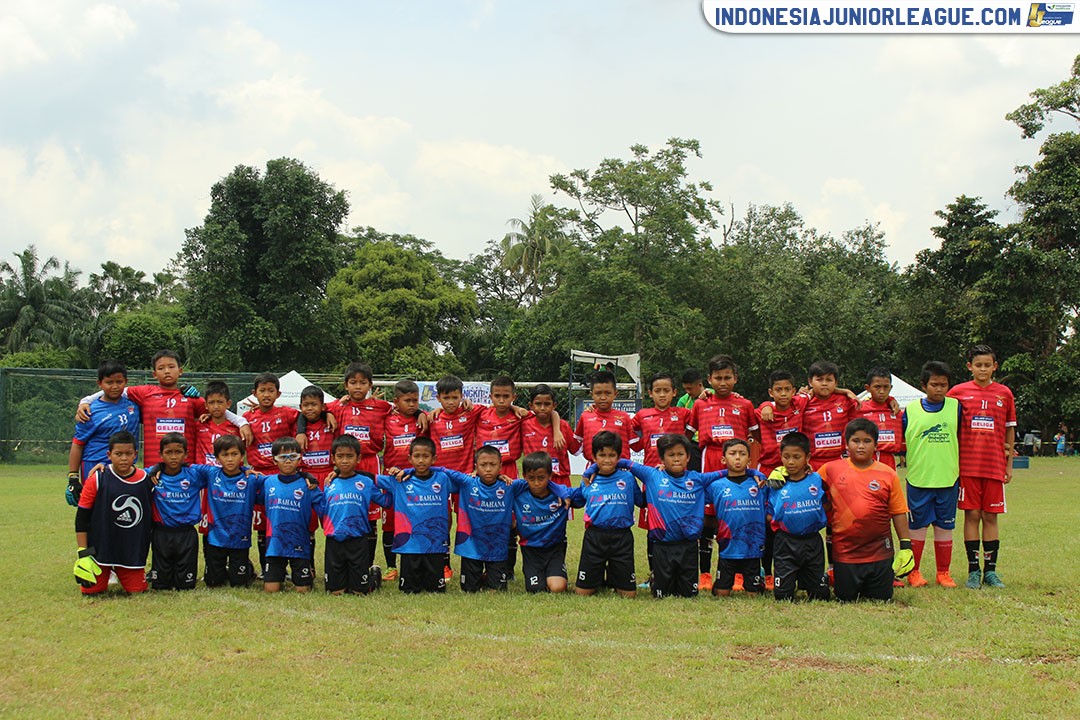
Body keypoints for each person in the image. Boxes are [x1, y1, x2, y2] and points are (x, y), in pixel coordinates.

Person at [76, 349, 251, 466]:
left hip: (185, 467)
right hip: (153, 468)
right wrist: (85, 400)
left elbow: (218, 411)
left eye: (171, 367)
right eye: (161, 368)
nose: (167, 371)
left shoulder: (190, 397)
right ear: (154, 373)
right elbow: (115, 390)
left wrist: (242, 422)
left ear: (180, 371)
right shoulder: (144, 392)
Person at [608, 434, 725, 598]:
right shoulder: (652, 475)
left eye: (680, 454)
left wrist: (755, 474)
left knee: (689, 595)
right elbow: (624, 462)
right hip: (662, 546)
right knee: (661, 595)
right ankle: (656, 578)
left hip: (689, 546)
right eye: (671, 455)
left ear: (688, 457)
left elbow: (727, 472)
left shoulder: (698, 478)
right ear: (662, 458)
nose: (676, 459)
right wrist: (590, 471)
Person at [687, 355, 760, 593]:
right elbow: (686, 437)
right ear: (709, 380)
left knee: (739, 514)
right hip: (711, 462)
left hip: (739, 463)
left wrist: (757, 468)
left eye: (727, 377)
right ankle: (706, 573)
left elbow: (757, 437)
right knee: (708, 518)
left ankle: (740, 573)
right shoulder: (700, 404)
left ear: (735, 379)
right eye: (717, 378)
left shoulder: (745, 405)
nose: (722, 382)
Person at [819, 419, 914, 601]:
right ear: (846, 444)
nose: (861, 446)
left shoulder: (888, 474)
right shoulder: (830, 469)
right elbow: (807, 484)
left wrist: (906, 546)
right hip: (845, 552)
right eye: (856, 441)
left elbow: (898, 511)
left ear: (876, 445)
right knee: (845, 598)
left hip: (879, 551)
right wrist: (783, 473)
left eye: (867, 441)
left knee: (882, 598)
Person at [947, 345, 1016, 589]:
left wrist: (1009, 464)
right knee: (972, 515)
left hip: (995, 466)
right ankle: (974, 570)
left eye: (988, 365)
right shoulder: (957, 392)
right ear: (970, 367)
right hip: (967, 466)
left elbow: (1010, 429)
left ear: (995, 366)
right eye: (979, 365)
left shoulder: (1004, 393)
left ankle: (991, 571)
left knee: (990, 516)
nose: (983, 369)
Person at [629, 372, 693, 583]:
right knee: (652, 525)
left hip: (678, 480)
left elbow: (703, 413)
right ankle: (654, 574)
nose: (662, 395)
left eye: (666, 390)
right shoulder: (642, 416)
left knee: (676, 521)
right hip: (653, 480)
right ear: (650, 393)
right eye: (658, 391)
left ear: (675, 392)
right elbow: (630, 436)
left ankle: (678, 571)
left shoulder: (683, 413)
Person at [375, 437, 461, 594]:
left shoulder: (442, 479)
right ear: (409, 458)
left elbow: (467, 482)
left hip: (434, 544)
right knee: (409, 590)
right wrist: (337, 472)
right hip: (410, 545)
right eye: (417, 456)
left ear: (434, 458)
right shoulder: (400, 480)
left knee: (435, 590)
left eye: (426, 456)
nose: (421, 460)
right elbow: (372, 479)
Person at [902, 361, 961, 589]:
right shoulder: (910, 411)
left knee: (945, 528)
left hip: (948, 478)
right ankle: (914, 572)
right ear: (923, 385)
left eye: (943, 385)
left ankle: (943, 573)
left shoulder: (956, 407)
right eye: (934, 384)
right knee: (917, 528)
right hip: (919, 479)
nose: (939, 389)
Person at [73, 431, 152, 595]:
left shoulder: (146, 479)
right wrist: (83, 554)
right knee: (91, 591)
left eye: (128, 454)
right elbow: (82, 517)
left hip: (131, 551)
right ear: (109, 455)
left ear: (136, 455)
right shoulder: (98, 478)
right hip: (100, 551)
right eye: (118, 454)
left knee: (137, 591)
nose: (123, 458)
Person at [567, 431, 643, 598]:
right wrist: (564, 498)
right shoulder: (588, 479)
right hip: (595, 537)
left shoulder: (628, 478)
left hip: (622, 537)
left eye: (612, 455)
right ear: (594, 457)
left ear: (618, 457)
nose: (607, 460)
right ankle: (598, 574)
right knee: (582, 593)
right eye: (602, 455)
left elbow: (641, 501)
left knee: (628, 595)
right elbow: (578, 500)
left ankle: (614, 574)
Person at [434, 445, 517, 593]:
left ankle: (489, 576)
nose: (488, 469)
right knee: (469, 590)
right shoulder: (467, 482)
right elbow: (439, 469)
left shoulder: (509, 485)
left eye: (493, 465)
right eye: (483, 465)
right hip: (471, 547)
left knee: (496, 591)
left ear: (500, 466)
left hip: (496, 548)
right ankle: (480, 576)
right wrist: (407, 472)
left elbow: (536, 483)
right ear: (475, 467)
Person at [243, 372, 300, 574]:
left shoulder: (286, 413)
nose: (266, 394)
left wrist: (301, 432)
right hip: (259, 476)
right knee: (261, 525)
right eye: (262, 390)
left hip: (281, 476)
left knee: (283, 521)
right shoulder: (247, 418)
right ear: (254, 393)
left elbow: (306, 414)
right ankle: (265, 567)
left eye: (270, 390)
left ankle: (291, 566)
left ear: (278, 393)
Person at [320, 435, 390, 595]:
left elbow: (386, 502)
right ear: (333, 458)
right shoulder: (329, 483)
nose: (345, 461)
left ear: (358, 458)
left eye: (350, 456)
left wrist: (395, 486)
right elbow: (322, 508)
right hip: (334, 541)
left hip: (358, 541)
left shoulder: (365, 482)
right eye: (340, 456)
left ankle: (374, 576)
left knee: (359, 592)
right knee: (336, 593)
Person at [763, 432, 829, 601]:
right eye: (786, 457)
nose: (791, 462)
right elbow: (769, 515)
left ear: (807, 457)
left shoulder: (816, 480)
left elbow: (827, 505)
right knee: (783, 596)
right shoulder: (775, 484)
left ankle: (809, 581)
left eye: (796, 457)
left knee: (820, 595)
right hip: (785, 542)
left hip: (812, 542)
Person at [754, 369, 803, 591]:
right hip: (767, 473)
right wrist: (765, 405)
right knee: (767, 522)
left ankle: (795, 569)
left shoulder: (800, 406)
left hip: (794, 473)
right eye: (778, 390)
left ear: (794, 391)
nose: (783, 394)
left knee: (791, 519)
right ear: (771, 392)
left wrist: (847, 391)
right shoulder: (761, 412)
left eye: (787, 390)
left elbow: (817, 391)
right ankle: (765, 571)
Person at [67, 360, 140, 506]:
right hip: (95, 466)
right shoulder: (90, 411)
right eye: (109, 382)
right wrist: (73, 478)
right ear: (99, 383)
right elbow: (77, 444)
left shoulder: (134, 405)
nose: (114, 386)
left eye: (119, 381)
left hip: (126, 466)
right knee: (97, 511)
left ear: (126, 381)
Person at [703, 439, 768, 597]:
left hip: (752, 549)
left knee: (754, 595)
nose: (737, 458)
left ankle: (758, 577)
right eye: (733, 454)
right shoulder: (715, 485)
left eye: (742, 454)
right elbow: (692, 497)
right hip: (727, 548)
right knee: (721, 593)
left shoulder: (760, 484)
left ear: (749, 460)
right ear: (724, 459)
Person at [257, 437, 323, 593]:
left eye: (293, 457)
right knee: (270, 590)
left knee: (303, 591)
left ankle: (306, 577)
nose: (288, 461)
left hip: (299, 543)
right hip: (275, 545)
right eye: (282, 457)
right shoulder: (267, 482)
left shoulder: (309, 485)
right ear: (274, 460)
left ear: (300, 459)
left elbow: (325, 509)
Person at [379, 379, 429, 582]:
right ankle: (391, 567)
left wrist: (421, 413)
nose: (412, 405)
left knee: (417, 521)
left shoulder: (423, 420)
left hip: (416, 480)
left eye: (415, 401)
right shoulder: (386, 418)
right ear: (395, 402)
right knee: (389, 524)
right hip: (392, 480)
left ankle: (422, 564)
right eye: (407, 401)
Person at [146, 433, 205, 591]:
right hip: (161, 533)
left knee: (185, 586)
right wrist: (103, 467)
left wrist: (244, 469)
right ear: (160, 455)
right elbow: (128, 474)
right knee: (161, 585)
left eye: (178, 452)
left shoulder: (195, 474)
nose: (173, 457)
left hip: (186, 534)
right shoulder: (152, 476)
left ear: (186, 454)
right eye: (168, 452)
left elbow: (223, 471)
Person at [202, 434, 261, 588]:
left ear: (242, 455)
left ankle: (248, 569)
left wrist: (305, 475)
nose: (230, 459)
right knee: (214, 583)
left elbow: (279, 480)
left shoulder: (252, 478)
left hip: (239, 539)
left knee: (239, 584)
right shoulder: (210, 474)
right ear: (217, 458)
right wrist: (158, 468)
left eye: (234, 454)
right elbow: (184, 467)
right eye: (225, 455)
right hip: (216, 538)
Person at [514, 451, 573, 593]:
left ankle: (555, 573)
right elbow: (496, 483)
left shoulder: (561, 494)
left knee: (557, 588)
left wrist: (560, 491)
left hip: (555, 548)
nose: (536, 483)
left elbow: (585, 492)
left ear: (550, 476)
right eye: (531, 478)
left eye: (541, 478)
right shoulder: (517, 490)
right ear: (524, 476)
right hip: (531, 549)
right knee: (536, 589)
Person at [521, 384, 579, 488]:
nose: (542, 408)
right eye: (538, 404)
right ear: (531, 405)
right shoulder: (524, 424)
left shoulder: (563, 426)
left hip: (560, 480)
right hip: (535, 481)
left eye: (547, 404)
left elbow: (575, 450)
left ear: (554, 405)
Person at [573, 370, 636, 463]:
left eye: (607, 393)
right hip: (594, 471)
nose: (603, 397)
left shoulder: (624, 417)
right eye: (598, 393)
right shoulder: (585, 416)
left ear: (615, 394)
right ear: (592, 395)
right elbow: (576, 443)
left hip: (620, 470)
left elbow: (636, 445)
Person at [857, 368, 905, 469]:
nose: (882, 391)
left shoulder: (896, 411)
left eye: (885, 387)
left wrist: (891, 399)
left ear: (891, 387)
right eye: (877, 387)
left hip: (889, 460)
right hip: (866, 459)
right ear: (867, 388)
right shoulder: (859, 409)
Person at [193, 380, 241, 467]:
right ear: (206, 405)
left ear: (228, 403)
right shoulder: (199, 425)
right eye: (211, 402)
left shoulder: (237, 429)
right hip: (203, 476)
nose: (216, 406)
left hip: (227, 476)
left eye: (220, 402)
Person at [298, 385, 334, 487]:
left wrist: (329, 413)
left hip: (328, 474)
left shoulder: (331, 422)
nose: (309, 408)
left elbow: (341, 404)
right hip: (306, 475)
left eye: (314, 404)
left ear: (323, 406)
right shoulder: (295, 423)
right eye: (306, 405)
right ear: (300, 407)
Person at [676, 368, 708, 473]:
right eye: (685, 389)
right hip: (693, 444)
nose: (687, 392)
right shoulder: (683, 401)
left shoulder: (712, 395)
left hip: (709, 443)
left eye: (690, 389)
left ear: (699, 385)